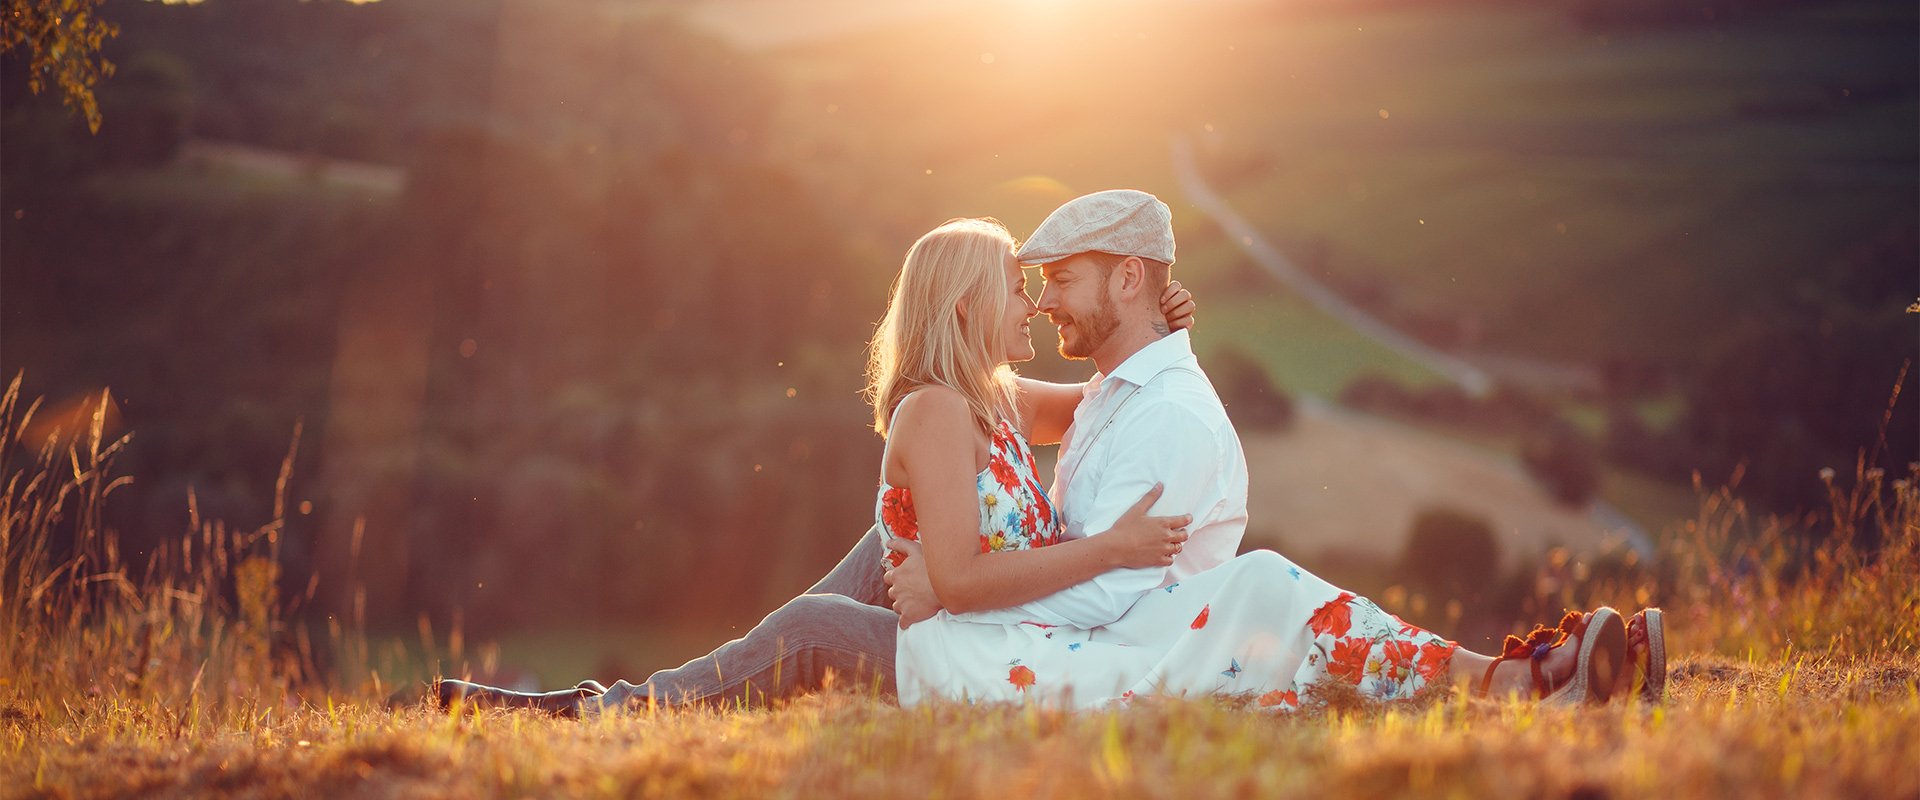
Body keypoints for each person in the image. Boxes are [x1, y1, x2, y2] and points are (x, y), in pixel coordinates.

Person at [872, 190, 1656, 709]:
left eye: (1058, 282)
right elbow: (1095, 411)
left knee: (1272, 587)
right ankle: (1510, 677)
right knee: (1273, 588)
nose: (1041, 305)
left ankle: (1508, 677)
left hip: (1103, 627)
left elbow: (1100, 589)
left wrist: (953, 587)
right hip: (1064, 631)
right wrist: (955, 583)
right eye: (1026, 286)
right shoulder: (1079, 398)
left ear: (1127, 281)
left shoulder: (1155, 414)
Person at [433, 217, 1200, 716]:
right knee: (812, 622)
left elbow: (1104, 395)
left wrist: (1156, 324)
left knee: (834, 592)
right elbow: (960, 579)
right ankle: (616, 712)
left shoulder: (998, 398)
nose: (1032, 306)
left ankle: (618, 706)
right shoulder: (937, 409)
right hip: (980, 631)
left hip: (998, 639)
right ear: (966, 306)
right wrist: (1108, 550)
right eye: (1015, 290)